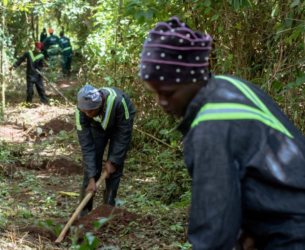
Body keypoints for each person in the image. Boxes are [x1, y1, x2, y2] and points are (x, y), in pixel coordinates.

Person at [141, 16, 305, 250]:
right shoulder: (232, 86)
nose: (160, 102)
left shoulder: (210, 127)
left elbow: (212, 229)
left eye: (168, 93)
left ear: (194, 78)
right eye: (153, 93)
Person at [76, 85, 135, 217]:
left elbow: (124, 134)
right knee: (93, 161)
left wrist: (113, 160)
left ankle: (108, 206)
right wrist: (92, 177)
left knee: (115, 166)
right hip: (97, 126)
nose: (88, 114)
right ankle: (84, 211)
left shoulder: (119, 102)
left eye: (91, 111)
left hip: (120, 124)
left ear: (101, 103)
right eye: (85, 111)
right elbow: (87, 145)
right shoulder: (82, 111)